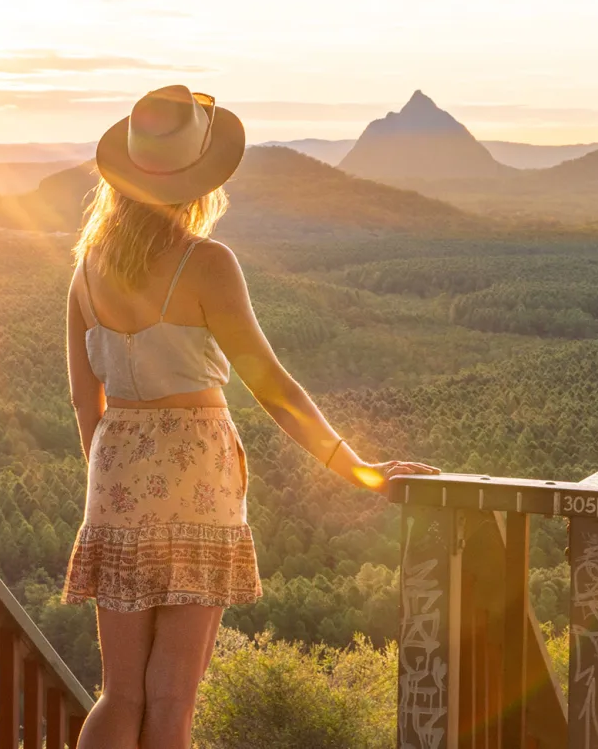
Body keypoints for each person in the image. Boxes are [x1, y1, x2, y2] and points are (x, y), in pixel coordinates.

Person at [61, 85, 440, 748]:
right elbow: (274, 387)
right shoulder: (206, 264)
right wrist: (355, 468)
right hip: (196, 477)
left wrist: (110, 482)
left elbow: (81, 399)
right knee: (171, 697)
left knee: (119, 693)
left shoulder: (87, 271)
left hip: (115, 475)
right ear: (196, 183)